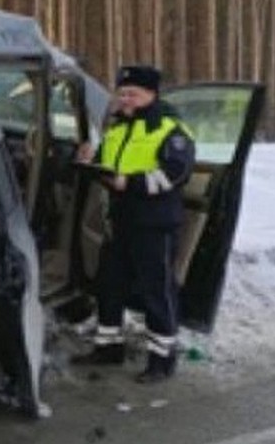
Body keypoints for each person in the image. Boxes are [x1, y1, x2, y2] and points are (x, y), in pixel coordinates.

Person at [73, 63, 196, 383]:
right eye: (122, 93)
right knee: (108, 285)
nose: (125, 99)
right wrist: (89, 160)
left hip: (154, 225)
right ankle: (109, 347)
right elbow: (108, 167)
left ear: (151, 94)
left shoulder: (171, 130)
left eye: (133, 94)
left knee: (157, 291)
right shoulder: (117, 129)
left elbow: (175, 173)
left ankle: (162, 358)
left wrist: (131, 184)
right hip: (120, 222)